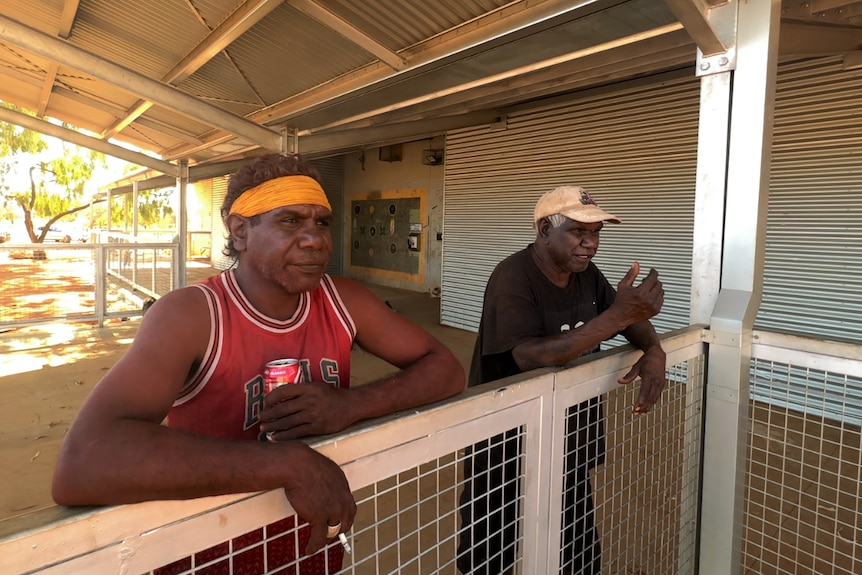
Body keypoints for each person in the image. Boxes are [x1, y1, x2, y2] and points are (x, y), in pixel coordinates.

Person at [52, 153, 466, 574]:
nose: (315, 239)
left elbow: (446, 368)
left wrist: (349, 406)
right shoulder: (192, 314)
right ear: (240, 230)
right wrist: (288, 464)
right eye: (290, 221)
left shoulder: (344, 299)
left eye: (322, 222)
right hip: (210, 547)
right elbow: (84, 461)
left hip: (311, 539)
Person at [456, 186, 666, 575]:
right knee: (490, 549)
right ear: (543, 230)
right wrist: (619, 317)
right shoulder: (512, 277)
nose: (590, 244)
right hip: (506, 444)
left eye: (597, 233)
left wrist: (654, 349)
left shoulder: (585, 274)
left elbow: (629, 317)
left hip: (570, 433)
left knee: (577, 545)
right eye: (577, 232)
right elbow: (533, 355)